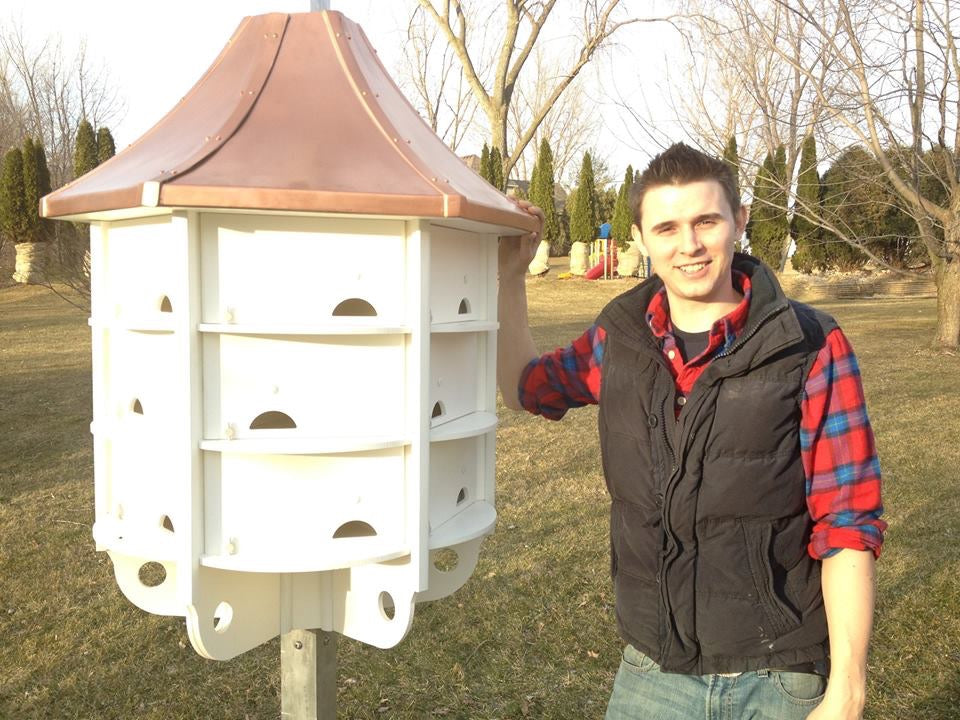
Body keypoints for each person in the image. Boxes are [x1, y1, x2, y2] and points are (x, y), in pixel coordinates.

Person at [497, 143, 885, 720]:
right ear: (642, 238)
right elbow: (526, 388)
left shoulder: (808, 345)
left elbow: (848, 521)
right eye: (667, 227)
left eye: (706, 220)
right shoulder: (619, 339)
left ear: (738, 221)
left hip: (779, 675)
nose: (689, 245)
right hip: (655, 671)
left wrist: (847, 692)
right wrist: (508, 276)